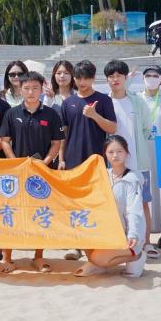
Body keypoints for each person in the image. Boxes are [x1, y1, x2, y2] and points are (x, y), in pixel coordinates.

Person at [0, 71, 64, 273]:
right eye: (26, 88)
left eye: (35, 88)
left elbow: (56, 142)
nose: (31, 92)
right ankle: (6, 258)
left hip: (42, 173)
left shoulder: (51, 114)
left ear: (41, 89)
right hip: (16, 173)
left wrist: (44, 163)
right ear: (20, 89)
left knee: (40, 213)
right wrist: (15, 162)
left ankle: (38, 257)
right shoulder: (11, 113)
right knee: (11, 213)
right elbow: (5, 141)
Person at [57, 60, 116, 261]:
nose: (82, 82)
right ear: (74, 78)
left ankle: (94, 243)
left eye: (86, 78)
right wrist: (61, 158)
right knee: (74, 202)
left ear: (93, 78)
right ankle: (76, 244)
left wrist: (94, 115)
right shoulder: (68, 103)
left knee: (95, 202)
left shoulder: (104, 100)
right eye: (79, 78)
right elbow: (63, 134)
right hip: (72, 159)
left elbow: (112, 128)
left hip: (96, 159)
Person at [75, 135, 146, 279]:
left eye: (119, 151)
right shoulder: (102, 175)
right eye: (111, 152)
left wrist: (133, 234)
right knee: (82, 234)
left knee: (98, 258)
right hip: (107, 232)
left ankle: (137, 256)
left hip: (128, 235)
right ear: (105, 154)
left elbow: (134, 210)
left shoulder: (132, 179)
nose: (115, 156)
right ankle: (97, 263)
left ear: (126, 153)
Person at [104, 60, 155, 258]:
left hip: (138, 162)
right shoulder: (104, 102)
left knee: (143, 202)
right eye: (111, 76)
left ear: (126, 78)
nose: (115, 79)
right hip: (112, 165)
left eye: (119, 75)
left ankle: (147, 242)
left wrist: (136, 148)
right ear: (107, 79)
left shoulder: (137, 101)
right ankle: (119, 241)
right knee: (114, 204)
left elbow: (146, 128)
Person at [138, 65, 161, 251]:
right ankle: (145, 232)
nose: (151, 78)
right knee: (145, 191)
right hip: (143, 149)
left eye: (155, 75)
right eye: (148, 75)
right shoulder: (137, 99)